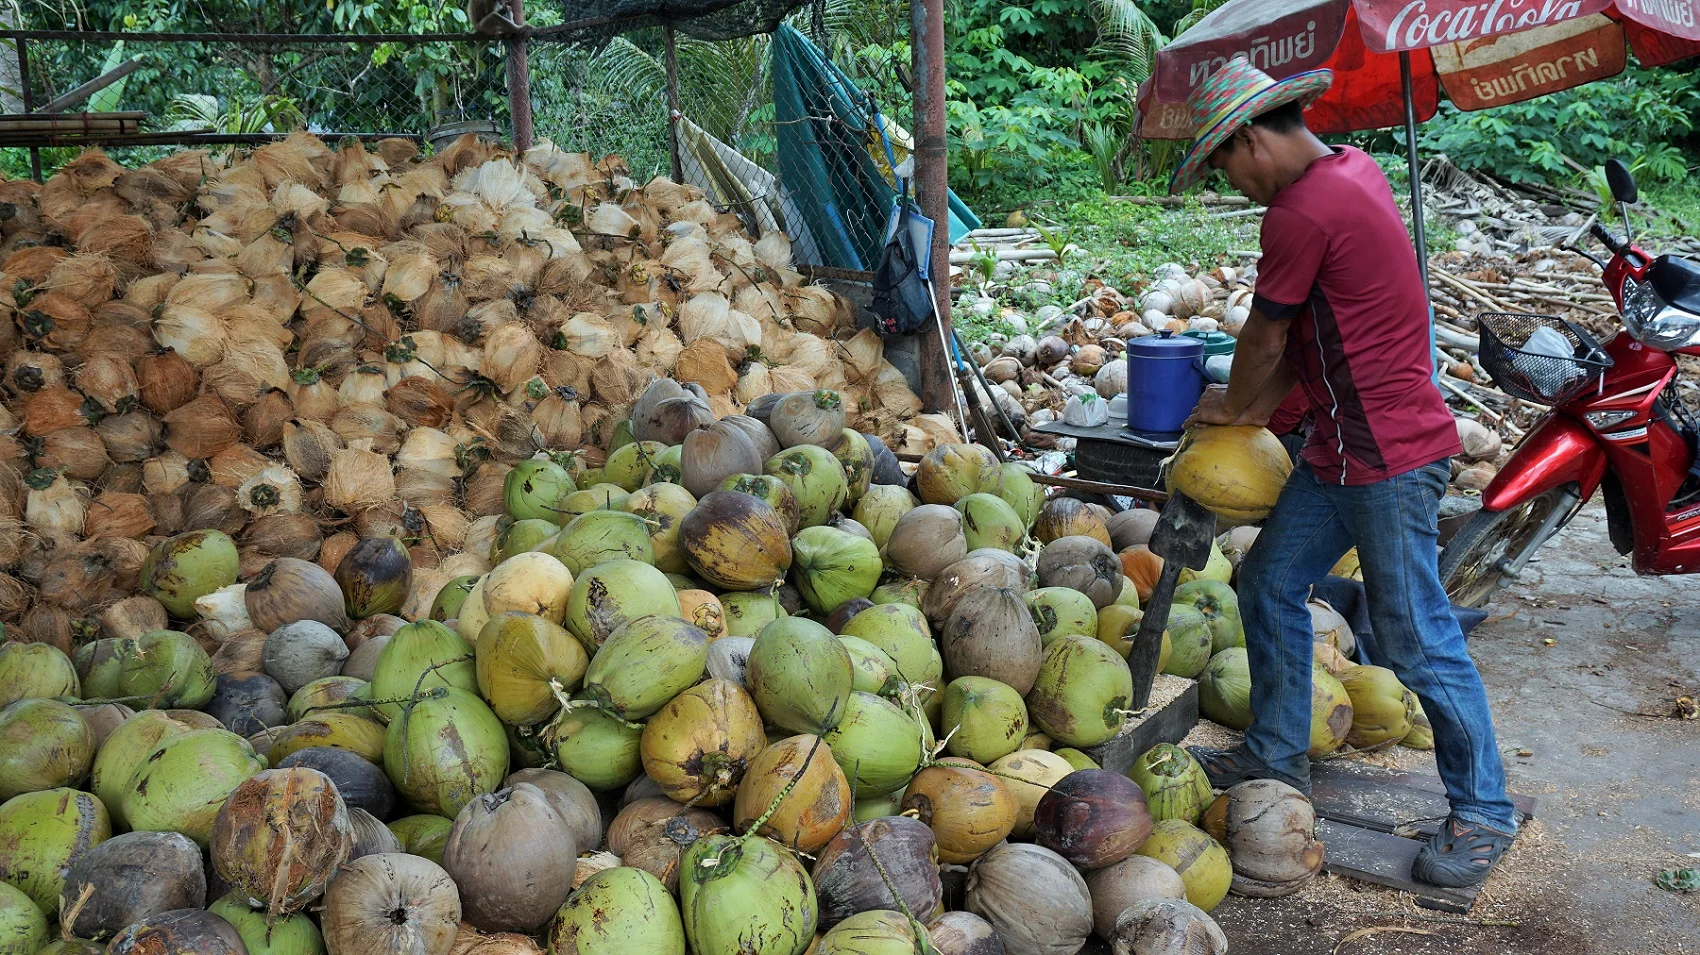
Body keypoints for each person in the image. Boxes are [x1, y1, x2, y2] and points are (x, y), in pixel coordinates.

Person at [1171, 56, 1517, 888]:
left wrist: (1235, 408)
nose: (1233, 183)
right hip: (1341, 447)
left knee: (1414, 637)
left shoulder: (1300, 210)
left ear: (1252, 139)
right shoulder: (1352, 170)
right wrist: (1268, 412)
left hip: (1390, 454)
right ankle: (1280, 755)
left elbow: (1265, 339)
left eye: (1224, 164)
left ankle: (1483, 812)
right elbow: (1319, 338)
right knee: (1269, 580)